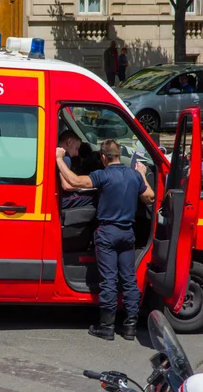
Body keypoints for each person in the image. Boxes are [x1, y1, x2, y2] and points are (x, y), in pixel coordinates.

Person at [56, 140, 155, 341]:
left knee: (109, 279)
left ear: (103, 157)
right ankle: (130, 327)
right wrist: (142, 175)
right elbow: (150, 197)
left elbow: (73, 182)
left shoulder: (102, 175)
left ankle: (107, 327)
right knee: (128, 279)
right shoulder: (134, 176)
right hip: (127, 234)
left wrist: (59, 159)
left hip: (107, 234)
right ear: (118, 155)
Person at [58, 130, 94, 209]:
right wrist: (87, 186)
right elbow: (67, 186)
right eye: (76, 148)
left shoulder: (54, 151)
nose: (77, 154)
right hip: (62, 199)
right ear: (69, 142)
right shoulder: (65, 158)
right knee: (95, 198)